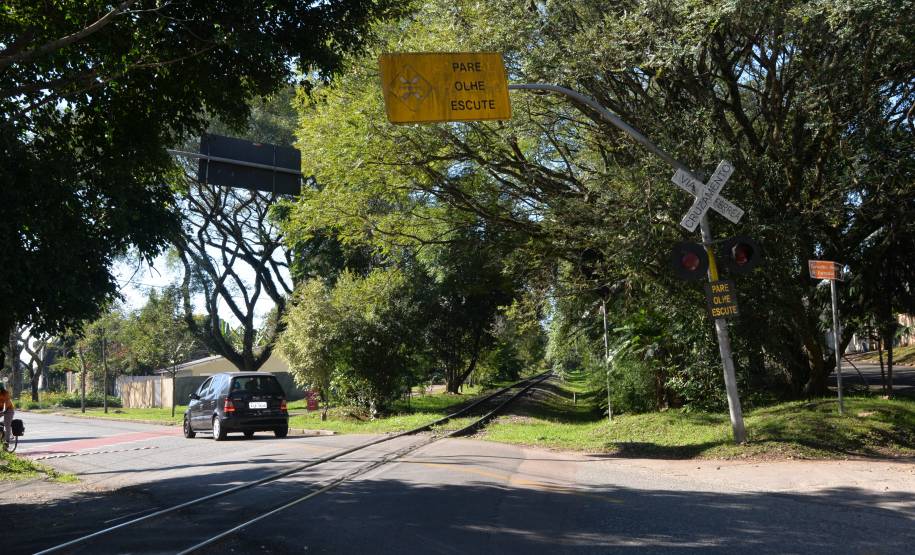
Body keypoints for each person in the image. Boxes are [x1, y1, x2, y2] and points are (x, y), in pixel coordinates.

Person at [0, 382, 14, 448]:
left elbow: (6, 404)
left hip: (8, 410)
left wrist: (3, 411)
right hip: (0, 409)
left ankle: (7, 442)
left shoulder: (5, 393)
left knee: (7, 425)